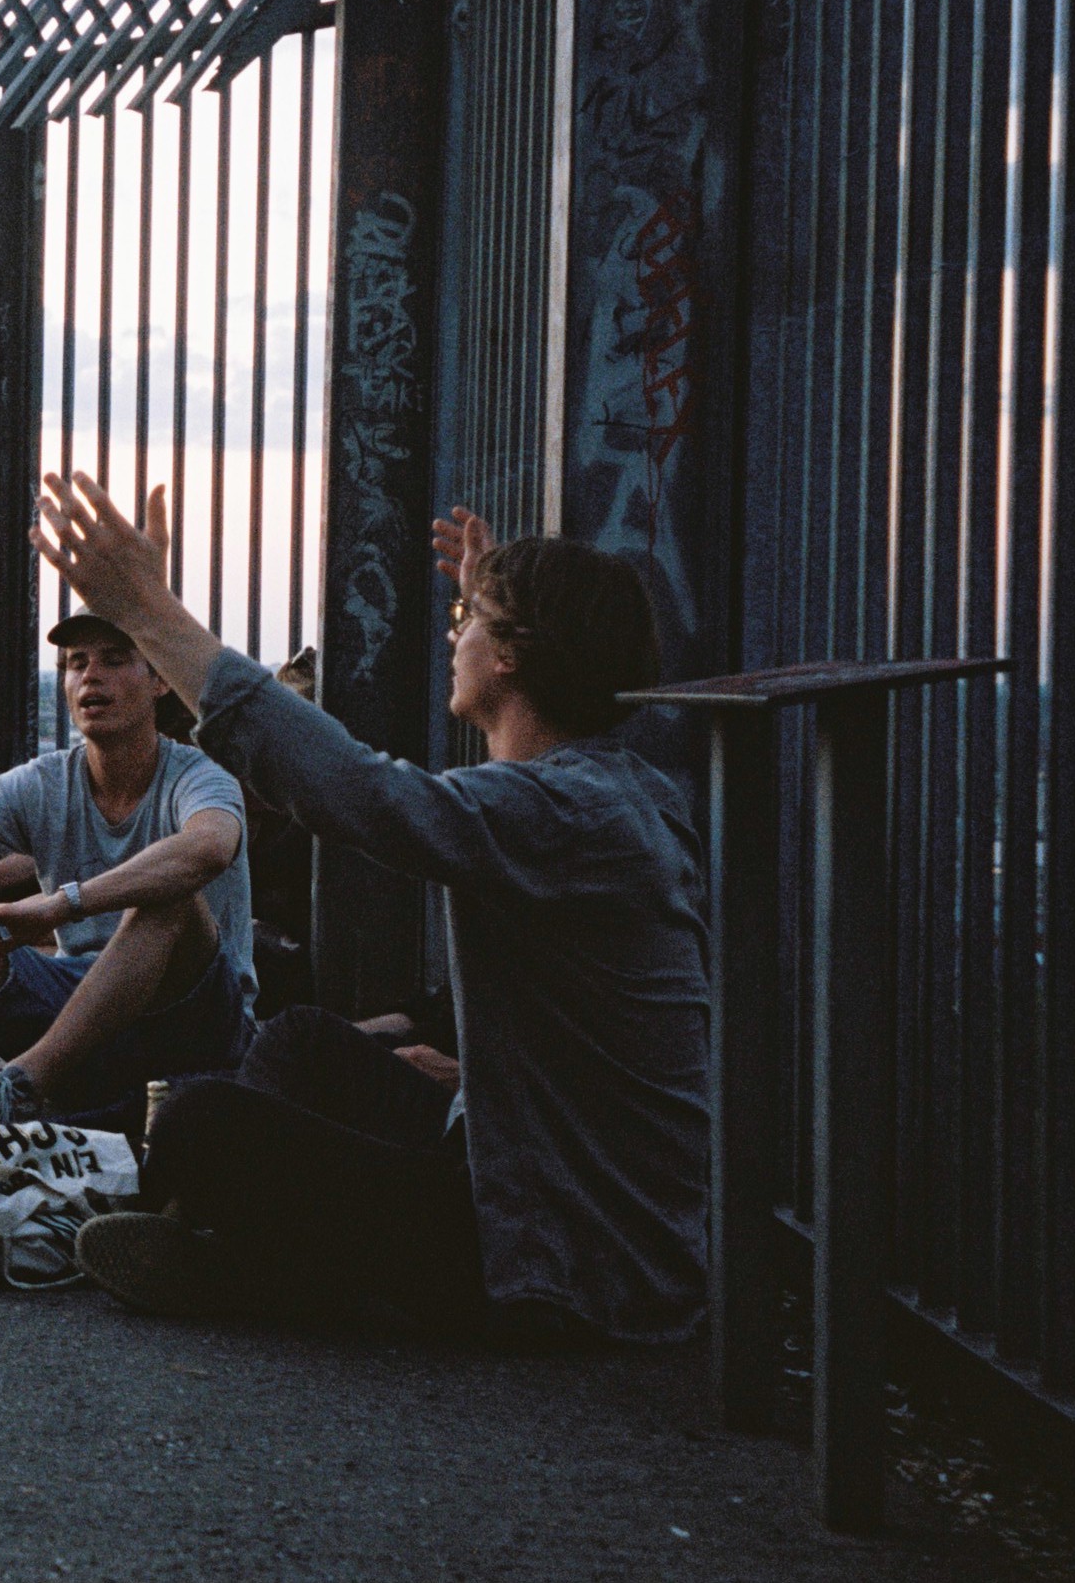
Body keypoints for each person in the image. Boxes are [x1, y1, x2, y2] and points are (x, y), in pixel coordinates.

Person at [38, 475, 709, 1346]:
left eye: (468, 621)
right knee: (302, 1044)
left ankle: (252, 1262)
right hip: (528, 1171)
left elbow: (355, 792)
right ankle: (249, 1250)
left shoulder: (568, 815)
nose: (453, 636)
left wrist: (148, 612)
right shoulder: (604, 795)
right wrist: (498, 599)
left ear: (511, 658)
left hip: (569, 1258)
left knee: (199, 1124)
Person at [0, 607, 258, 1164]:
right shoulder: (45, 781)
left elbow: (208, 848)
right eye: (77, 663)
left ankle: (18, 1086)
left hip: (192, 1028)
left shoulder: (199, 778)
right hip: (77, 1017)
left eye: (114, 660)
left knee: (169, 900)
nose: (90, 675)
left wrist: (63, 905)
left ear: (160, 681)